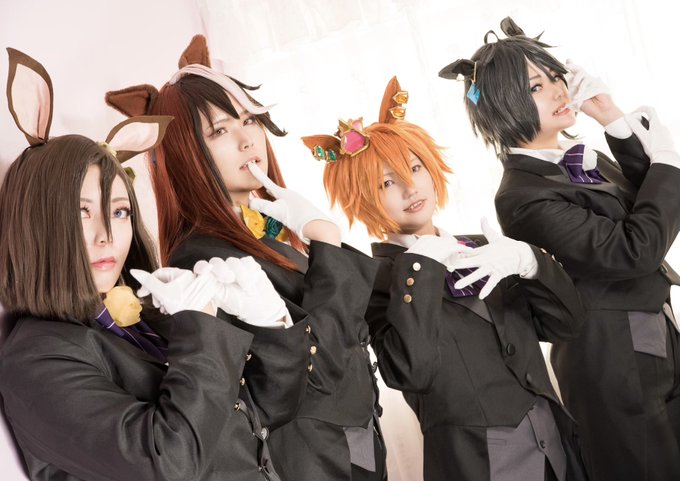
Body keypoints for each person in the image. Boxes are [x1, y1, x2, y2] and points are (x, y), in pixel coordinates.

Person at [0, 48, 310, 481]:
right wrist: (201, 329)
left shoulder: (144, 314)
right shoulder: (38, 358)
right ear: (35, 224)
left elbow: (266, 413)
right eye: (81, 212)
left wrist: (272, 322)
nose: (106, 235)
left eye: (119, 211)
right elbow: (169, 462)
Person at [105, 35, 386, 481]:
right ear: (184, 154)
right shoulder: (202, 258)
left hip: (352, 445)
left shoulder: (261, 229)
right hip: (313, 460)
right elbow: (316, 370)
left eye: (249, 119)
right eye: (219, 131)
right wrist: (326, 239)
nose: (246, 139)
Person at [306, 75, 588, 481]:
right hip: (476, 464)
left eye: (414, 168)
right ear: (363, 199)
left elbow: (567, 325)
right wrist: (420, 266)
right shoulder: (373, 282)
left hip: (558, 449)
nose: (410, 187)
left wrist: (530, 262)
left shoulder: (485, 246)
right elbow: (411, 372)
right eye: (387, 182)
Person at [439, 17, 680, 481]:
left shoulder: (577, 161)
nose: (557, 91)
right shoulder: (521, 195)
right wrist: (668, 157)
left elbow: (645, 206)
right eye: (536, 86)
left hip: (655, 334)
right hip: (612, 358)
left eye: (555, 77)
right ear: (504, 105)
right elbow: (636, 248)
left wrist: (612, 119)